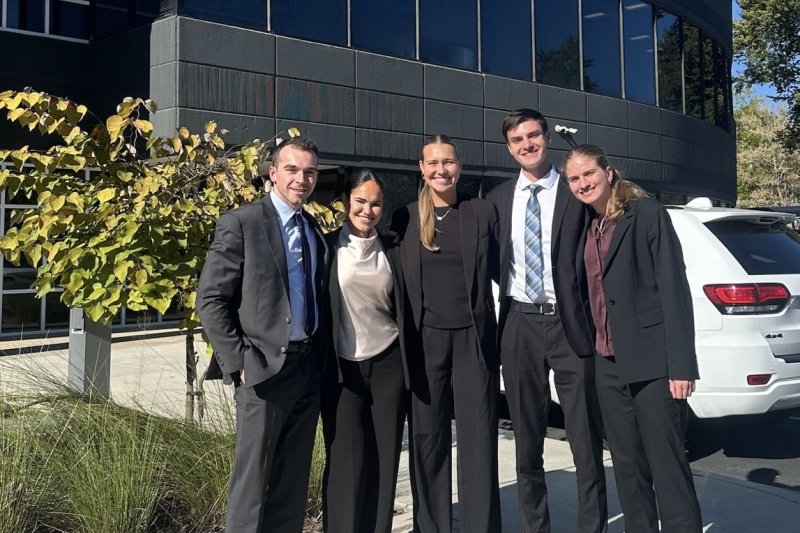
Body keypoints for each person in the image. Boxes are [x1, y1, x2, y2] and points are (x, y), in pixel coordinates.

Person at [563, 144, 702, 532]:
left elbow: (673, 289)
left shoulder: (645, 213)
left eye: (589, 173)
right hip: (607, 363)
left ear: (608, 172)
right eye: (574, 178)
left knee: (667, 466)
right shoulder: (586, 223)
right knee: (627, 467)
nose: (583, 183)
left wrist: (681, 366)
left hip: (653, 363)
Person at [197, 137, 330, 533]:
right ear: (273, 173)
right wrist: (239, 362)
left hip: (307, 368)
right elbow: (211, 299)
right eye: (292, 169)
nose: (301, 179)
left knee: (292, 482)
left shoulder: (312, 227)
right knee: (252, 484)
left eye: (309, 172)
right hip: (263, 371)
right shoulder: (243, 223)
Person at [486, 109, 607, 533]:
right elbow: (493, 261)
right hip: (519, 324)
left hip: (570, 326)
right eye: (517, 139)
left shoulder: (576, 192)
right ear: (509, 148)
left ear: (548, 137)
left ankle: (593, 527)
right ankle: (536, 527)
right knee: (527, 443)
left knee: (585, 440)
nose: (527, 144)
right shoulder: (498, 200)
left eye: (533, 135)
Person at [391, 134, 501, 533]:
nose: (442, 170)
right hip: (425, 340)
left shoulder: (481, 212)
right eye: (433, 163)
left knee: (478, 437)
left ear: (460, 166)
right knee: (428, 437)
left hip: (474, 338)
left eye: (448, 162)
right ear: (422, 169)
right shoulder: (404, 218)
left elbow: (504, 270)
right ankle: (432, 526)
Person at [320, 170, 412, 533]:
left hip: (389, 363)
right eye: (360, 201)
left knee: (384, 461)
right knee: (346, 464)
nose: (367, 210)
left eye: (376, 204)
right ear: (346, 202)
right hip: (343, 371)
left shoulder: (393, 250)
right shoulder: (326, 247)